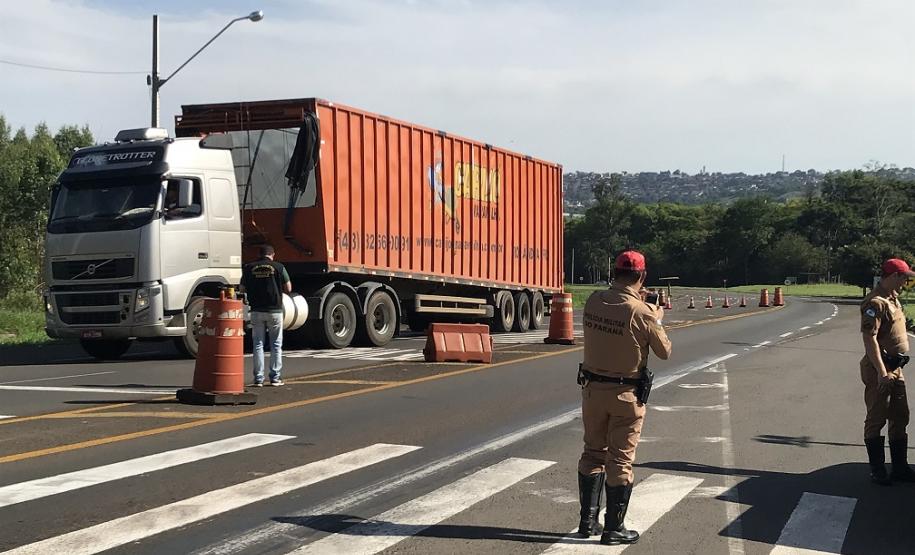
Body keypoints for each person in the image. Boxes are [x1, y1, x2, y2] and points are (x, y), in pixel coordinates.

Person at [576, 250, 672, 545]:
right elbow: (664, 351)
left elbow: (614, 313)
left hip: (592, 390)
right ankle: (613, 528)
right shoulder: (642, 312)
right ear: (642, 276)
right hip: (624, 395)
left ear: (614, 273)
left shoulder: (593, 300)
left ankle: (587, 520)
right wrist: (655, 317)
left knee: (593, 453)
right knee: (619, 460)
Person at [861, 258, 915, 485]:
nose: (906, 282)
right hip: (880, 369)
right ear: (893, 276)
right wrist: (882, 372)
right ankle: (877, 470)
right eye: (904, 277)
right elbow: (869, 338)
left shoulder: (893, 300)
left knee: (900, 416)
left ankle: (900, 468)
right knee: (876, 417)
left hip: (896, 367)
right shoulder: (875, 303)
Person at [240, 245, 292, 387]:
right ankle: (275, 377)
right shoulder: (279, 267)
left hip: (256, 310)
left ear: (259, 254)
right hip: (275, 311)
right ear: (272, 254)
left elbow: (242, 289)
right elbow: (289, 288)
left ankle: (258, 378)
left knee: (258, 344)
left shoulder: (249, 267)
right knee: (276, 344)